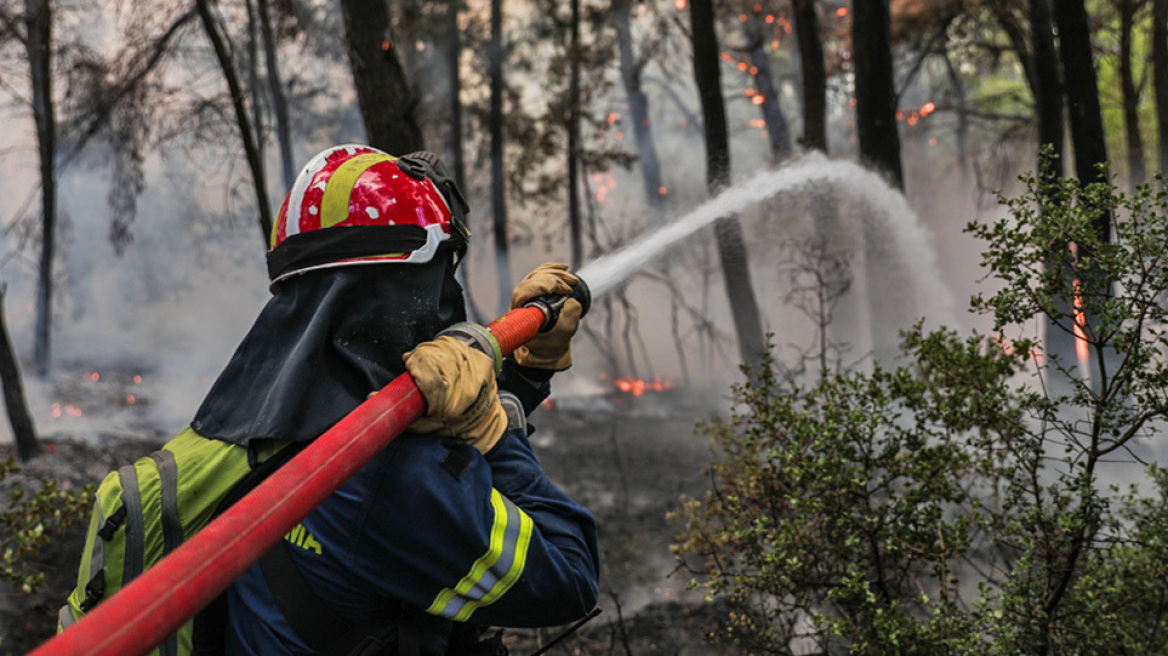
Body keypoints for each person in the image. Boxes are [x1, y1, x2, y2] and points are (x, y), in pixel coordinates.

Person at [190, 144, 598, 655]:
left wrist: (523, 374)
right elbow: (570, 576)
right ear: (399, 288)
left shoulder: (241, 427)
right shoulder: (386, 478)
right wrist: (495, 433)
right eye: (438, 278)